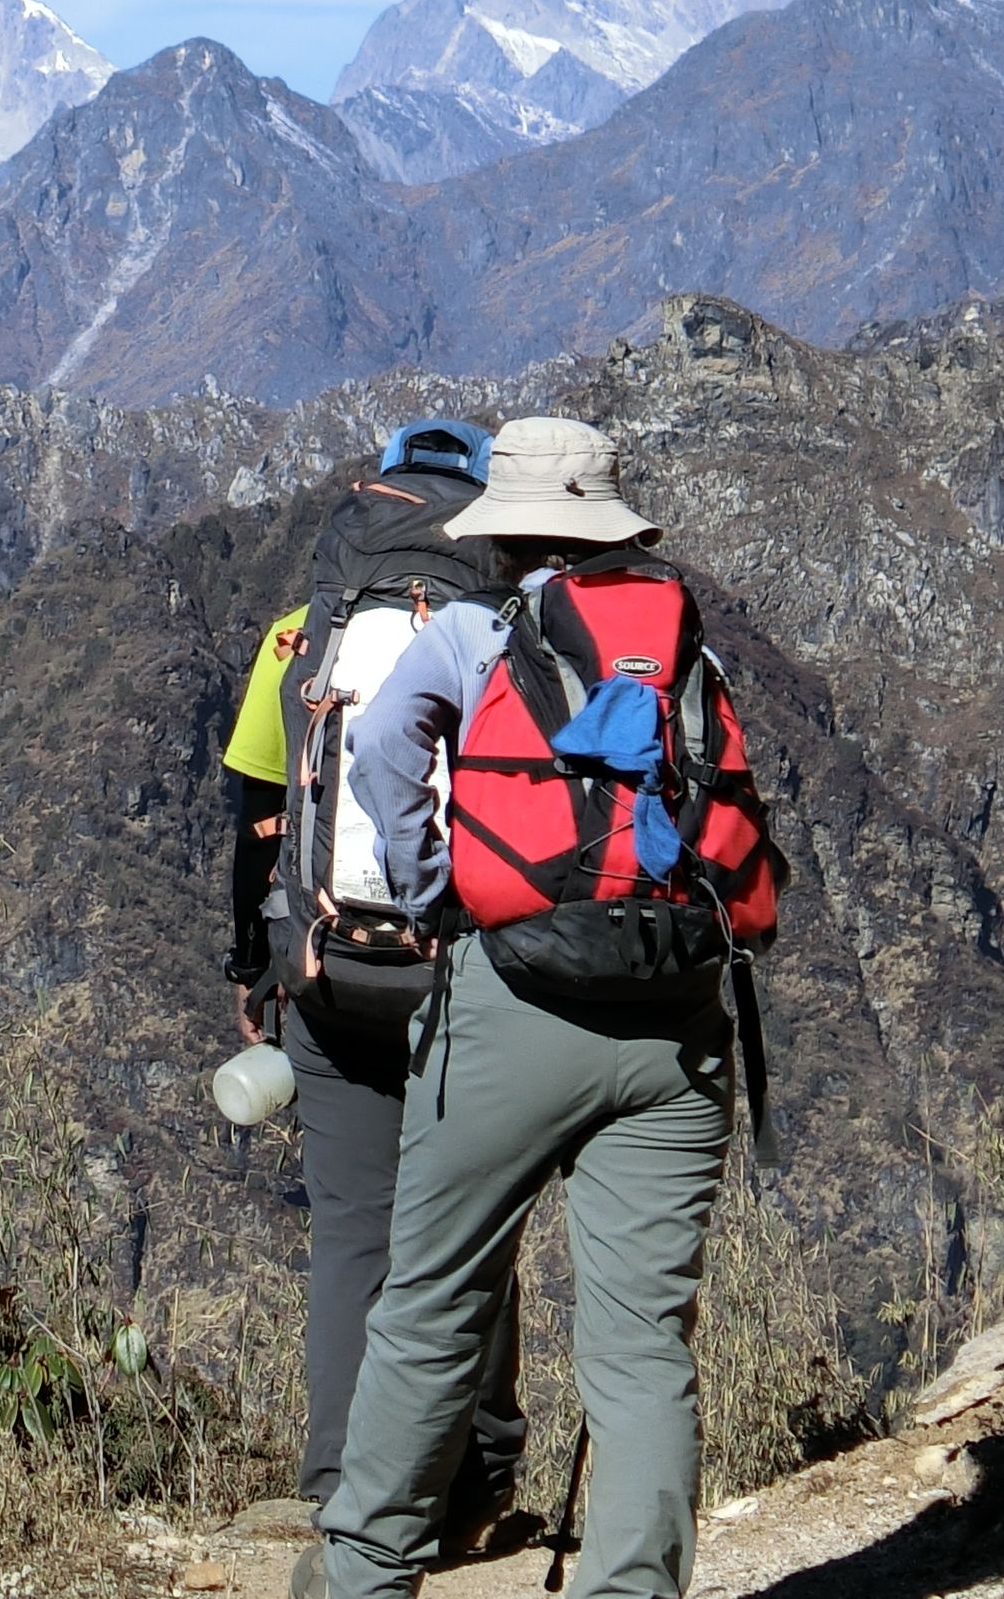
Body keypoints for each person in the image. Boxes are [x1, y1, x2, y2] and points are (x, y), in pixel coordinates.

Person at [308, 415, 787, 1599]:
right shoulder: (687, 650)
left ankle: (366, 1576)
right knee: (638, 1351)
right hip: (677, 1024)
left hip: (509, 1004)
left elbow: (376, 753)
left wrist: (434, 893)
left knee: (433, 1304)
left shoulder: (472, 633)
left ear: (506, 531)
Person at [220, 421, 530, 1555]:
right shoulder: (511, 632)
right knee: (468, 1227)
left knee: (353, 1232)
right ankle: (473, 1477)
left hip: (329, 970)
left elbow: (259, 820)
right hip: (472, 976)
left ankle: (344, 1483)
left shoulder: (299, 635)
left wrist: (253, 966)